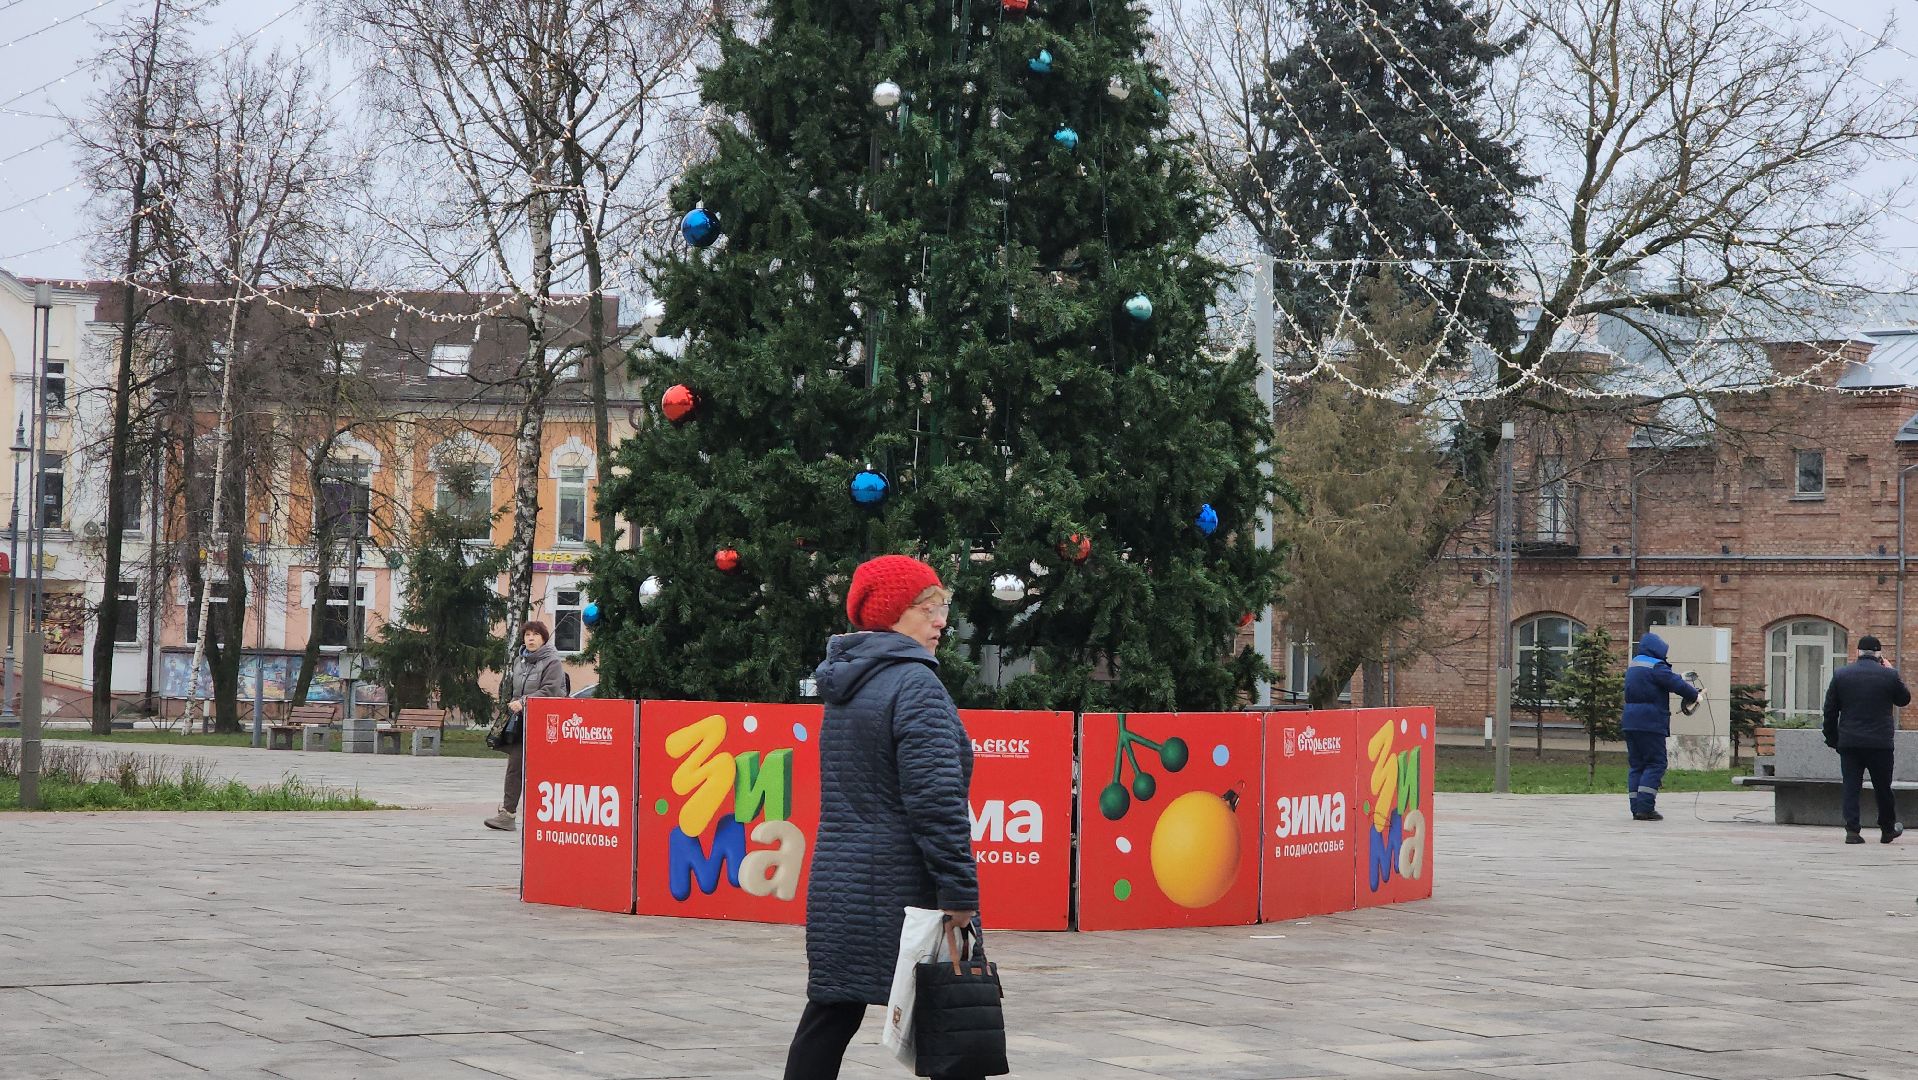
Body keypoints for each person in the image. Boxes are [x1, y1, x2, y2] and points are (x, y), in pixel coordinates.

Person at [783, 555, 983, 1080]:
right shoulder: (915, 685)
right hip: (906, 888)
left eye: (943, 607)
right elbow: (937, 803)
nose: (942, 621)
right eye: (929, 608)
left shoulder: (849, 683)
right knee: (955, 1017)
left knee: (830, 1013)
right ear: (894, 613)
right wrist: (959, 893)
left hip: (844, 886)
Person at [1822, 634, 1911, 845]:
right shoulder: (1889, 675)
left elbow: (1830, 710)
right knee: (1883, 787)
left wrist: (1833, 738)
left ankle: (1852, 830)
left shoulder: (1841, 674)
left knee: (1851, 786)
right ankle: (1887, 829)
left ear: (1857, 652)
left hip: (1850, 742)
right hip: (1880, 744)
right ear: (1879, 655)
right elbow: (1904, 699)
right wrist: (1891, 671)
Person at [484, 620, 566, 832]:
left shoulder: (552, 662)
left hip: (546, 723)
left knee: (545, 771)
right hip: (521, 723)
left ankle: (548, 816)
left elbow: (550, 691)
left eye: (535, 634)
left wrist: (523, 702)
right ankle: (507, 815)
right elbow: (514, 691)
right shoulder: (519, 662)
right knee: (515, 767)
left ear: (543, 638)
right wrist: (513, 705)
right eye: (527, 634)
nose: (530, 638)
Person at [1621, 630, 1699, 822]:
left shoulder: (1635, 664)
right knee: (1656, 763)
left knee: (1637, 765)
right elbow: (1675, 684)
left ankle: (1636, 807)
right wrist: (1695, 695)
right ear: (1658, 650)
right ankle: (1645, 808)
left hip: (1630, 722)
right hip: (1650, 723)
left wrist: (1677, 677)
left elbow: (1659, 681)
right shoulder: (1656, 666)